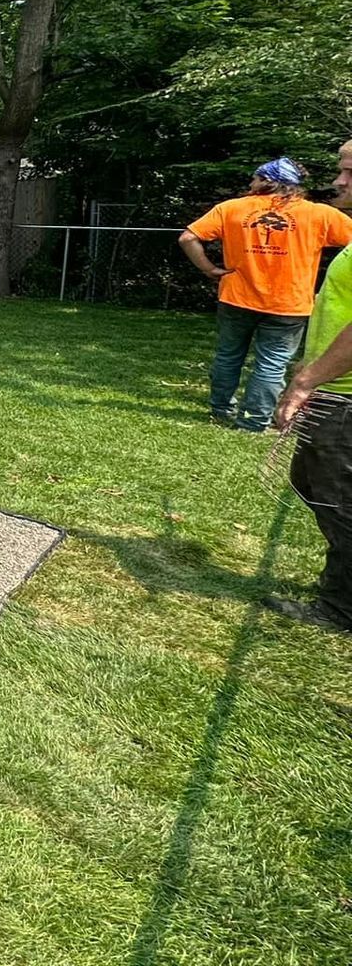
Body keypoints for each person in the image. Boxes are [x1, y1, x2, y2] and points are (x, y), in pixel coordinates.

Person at [180, 157, 352, 431]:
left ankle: (221, 409)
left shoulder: (231, 208)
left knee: (228, 355)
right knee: (272, 362)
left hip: (236, 298)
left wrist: (209, 269)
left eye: (255, 177)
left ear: (267, 181)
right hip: (289, 304)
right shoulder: (320, 214)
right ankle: (254, 421)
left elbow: (188, 237)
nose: (251, 183)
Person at [271, 141, 352, 632]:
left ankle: (342, 607)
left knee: (337, 497)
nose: (339, 181)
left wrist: (305, 382)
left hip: (342, 396)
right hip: (334, 388)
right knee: (315, 484)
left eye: (350, 172)